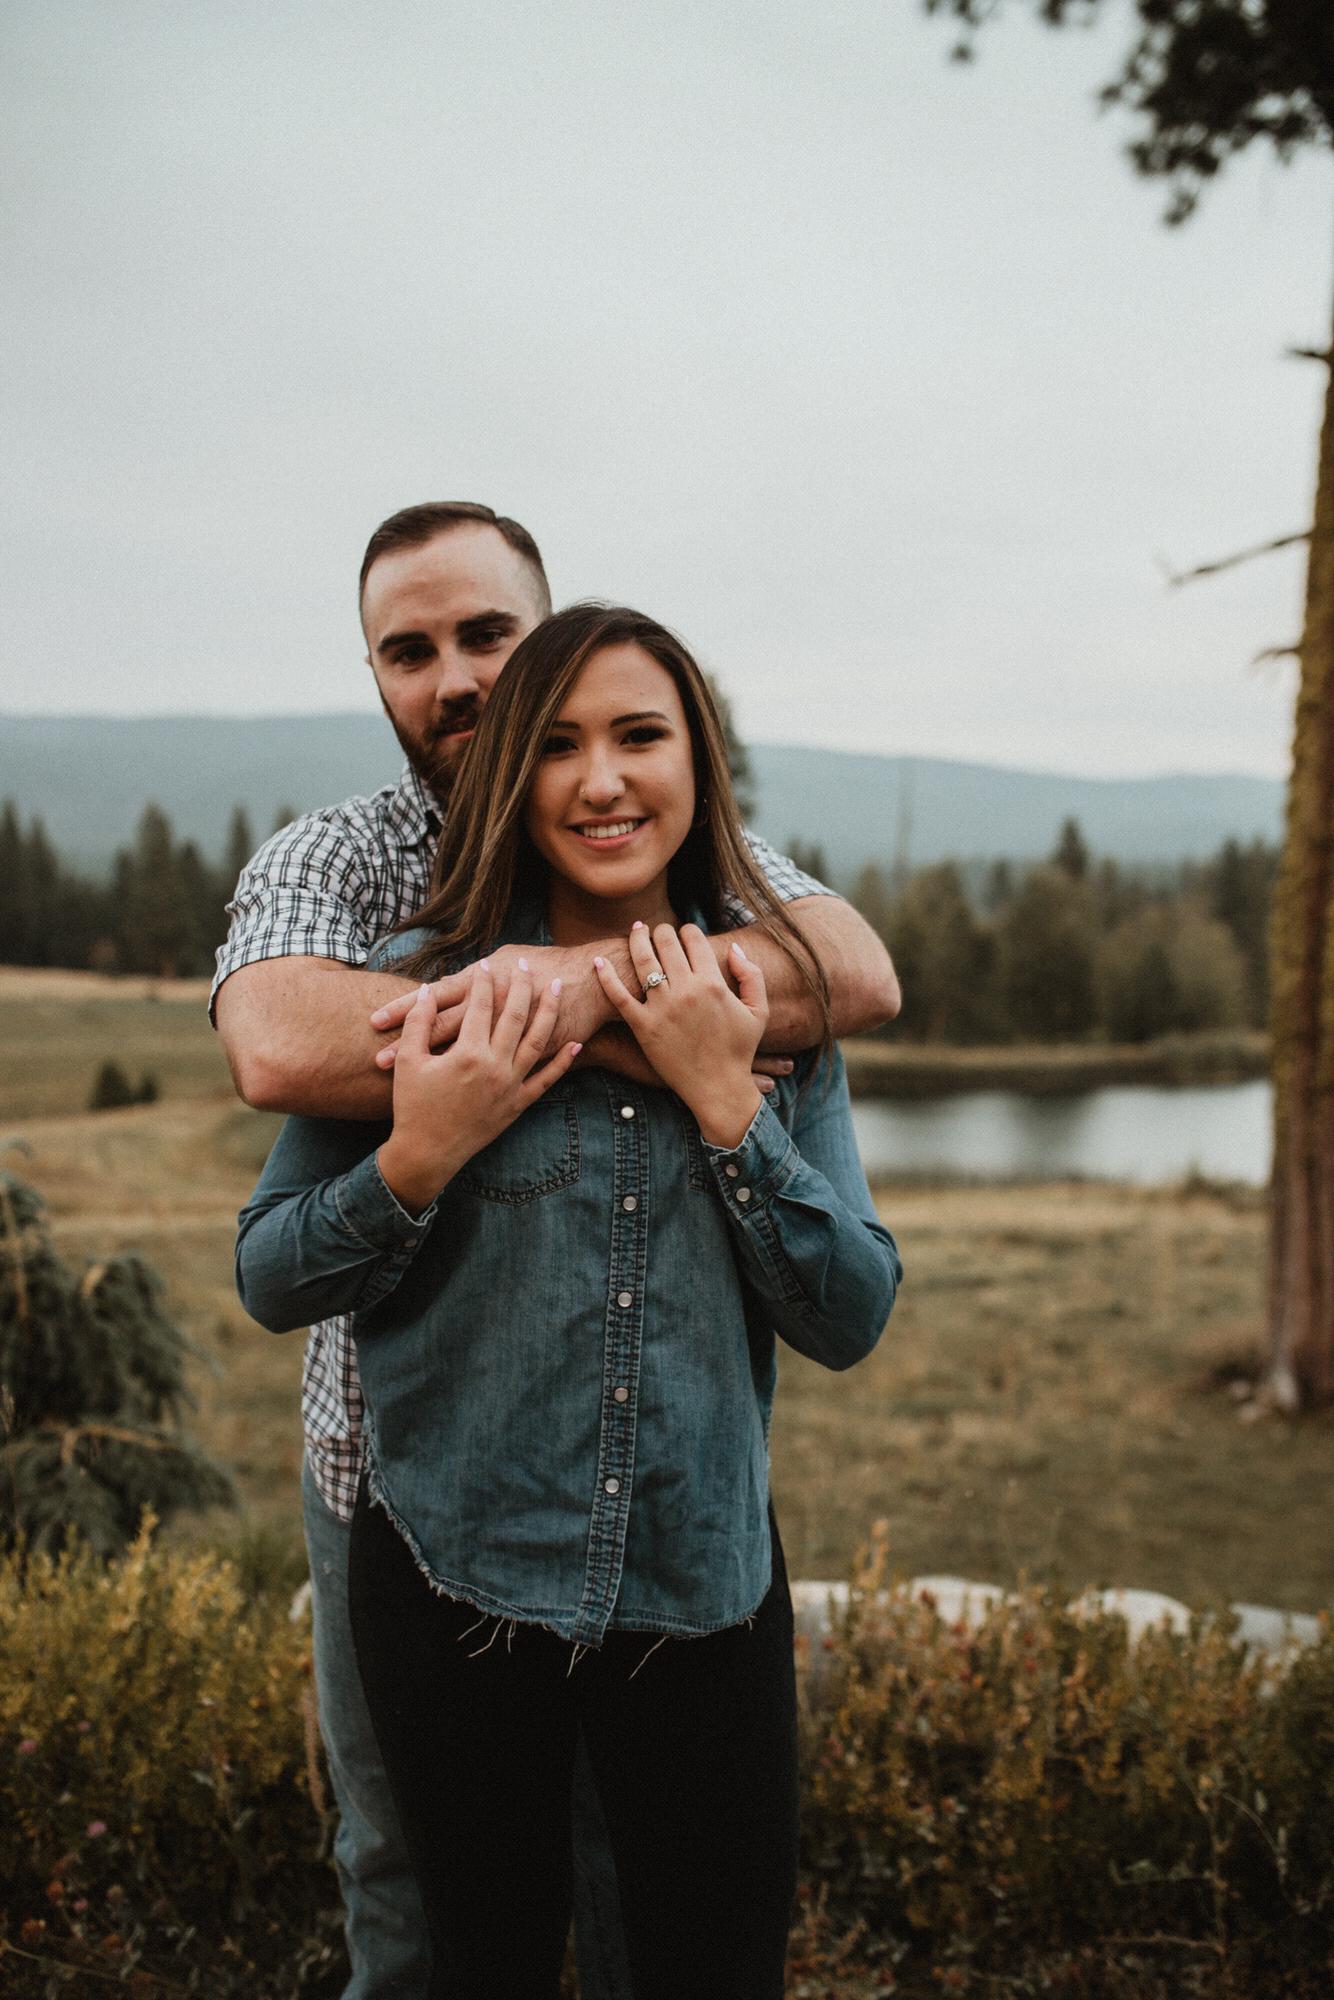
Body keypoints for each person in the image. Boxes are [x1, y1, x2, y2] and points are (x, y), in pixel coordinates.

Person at [211, 502, 900, 2000]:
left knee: (691, 1950)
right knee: (433, 1921)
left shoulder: (750, 954)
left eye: (487, 638)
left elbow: (856, 1003)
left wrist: (705, 1079)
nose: (597, 777)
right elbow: (272, 1086)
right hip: (422, 1530)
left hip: (694, 1574)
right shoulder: (370, 903)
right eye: (411, 650)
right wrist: (441, 1121)